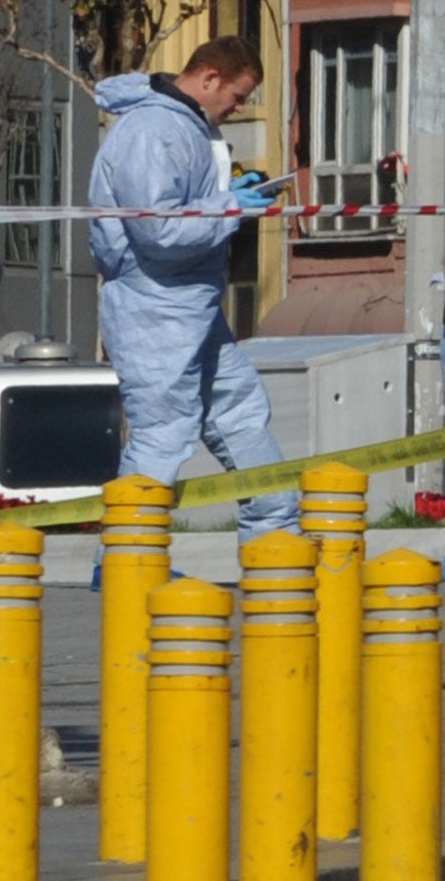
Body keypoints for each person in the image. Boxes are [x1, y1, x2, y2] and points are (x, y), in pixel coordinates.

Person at [88, 37, 297, 540]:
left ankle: (275, 541)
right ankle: (125, 563)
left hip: (189, 304)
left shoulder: (181, 125)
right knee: (163, 432)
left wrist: (226, 201)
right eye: (238, 95)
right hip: (153, 308)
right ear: (208, 78)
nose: (239, 107)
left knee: (240, 410)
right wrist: (229, 209)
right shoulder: (154, 130)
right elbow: (158, 231)